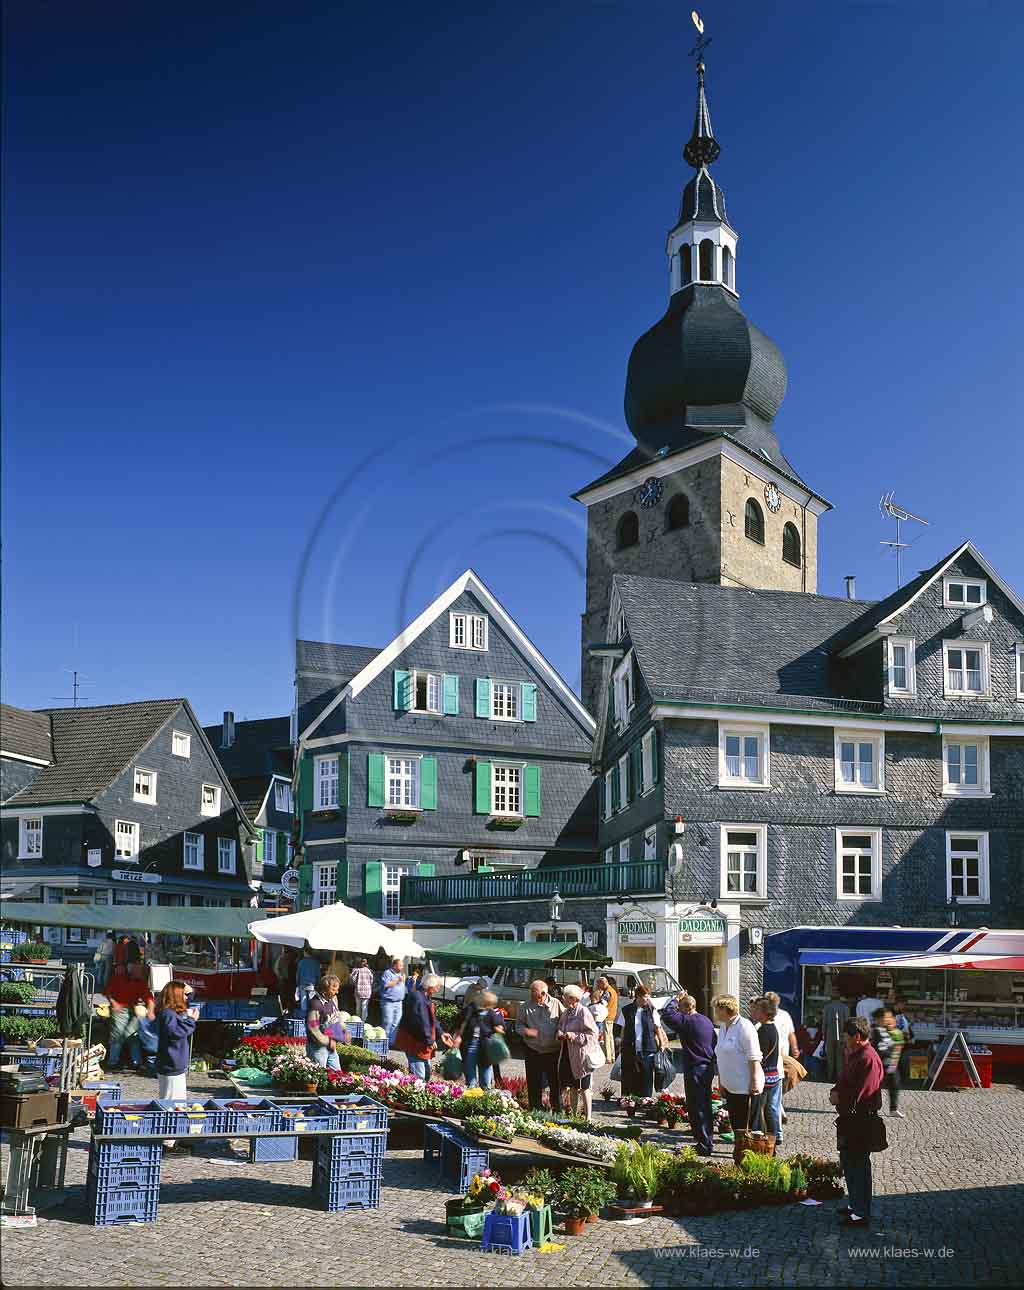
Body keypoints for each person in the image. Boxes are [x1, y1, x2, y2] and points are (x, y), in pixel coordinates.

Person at [830, 1016, 884, 1226]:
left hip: (860, 1120)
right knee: (850, 1164)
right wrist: (836, 1091)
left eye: (846, 1036)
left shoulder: (868, 1058)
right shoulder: (855, 1054)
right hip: (850, 1118)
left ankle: (861, 1213)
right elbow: (845, 1080)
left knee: (858, 1166)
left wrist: (839, 1098)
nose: (843, 1039)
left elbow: (864, 1093)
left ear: (857, 1037)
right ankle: (855, 1205)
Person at [713, 994, 763, 1166]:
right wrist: (721, 1082)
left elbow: (754, 1056)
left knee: (746, 1126)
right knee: (736, 1125)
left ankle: (749, 1157)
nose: (715, 1012)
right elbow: (720, 1055)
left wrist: (755, 1081)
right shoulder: (723, 1027)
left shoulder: (744, 1026)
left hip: (745, 1086)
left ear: (726, 1009)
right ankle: (740, 1153)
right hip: (730, 1085)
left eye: (717, 1008)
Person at [670, 994, 717, 1156]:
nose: (678, 1011)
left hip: (696, 1068)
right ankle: (701, 1140)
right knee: (700, 1105)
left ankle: (705, 1143)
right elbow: (714, 1042)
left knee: (699, 1107)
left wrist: (676, 999)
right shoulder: (706, 1021)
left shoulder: (688, 1021)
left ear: (686, 1008)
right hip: (707, 1066)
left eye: (680, 1008)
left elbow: (668, 1015)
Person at [157, 981, 199, 1147]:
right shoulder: (168, 1014)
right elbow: (176, 1033)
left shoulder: (171, 1012)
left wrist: (189, 990)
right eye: (182, 994)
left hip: (174, 1064)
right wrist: (191, 1020)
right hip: (171, 1064)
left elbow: (191, 997)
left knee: (178, 1102)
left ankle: (173, 1137)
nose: (185, 997)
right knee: (171, 1103)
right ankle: (167, 1141)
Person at [556, 983, 603, 1120]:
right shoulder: (566, 1012)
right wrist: (559, 1032)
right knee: (572, 1087)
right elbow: (560, 1026)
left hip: (581, 1057)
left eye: (565, 997)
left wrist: (572, 1036)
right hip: (567, 1054)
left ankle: (588, 1118)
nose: (563, 1000)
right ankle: (574, 1116)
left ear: (573, 998)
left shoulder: (583, 1012)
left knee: (584, 1088)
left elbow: (593, 1035)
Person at [518, 979, 565, 1111]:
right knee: (534, 1083)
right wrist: (526, 1031)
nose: (533, 998)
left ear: (544, 993)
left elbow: (564, 1021)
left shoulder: (557, 1004)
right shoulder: (525, 1006)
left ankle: (557, 1110)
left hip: (553, 1051)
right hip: (533, 1050)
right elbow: (518, 1025)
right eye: (532, 995)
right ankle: (535, 1110)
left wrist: (560, 1031)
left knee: (555, 1083)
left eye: (536, 995)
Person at [395, 974, 453, 1079]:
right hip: (414, 1041)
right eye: (438, 986)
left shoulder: (425, 997)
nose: (439, 989)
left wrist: (441, 1033)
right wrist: (429, 1040)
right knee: (419, 1077)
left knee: (425, 1075)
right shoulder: (418, 997)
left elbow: (432, 1019)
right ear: (430, 986)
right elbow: (420, 1022)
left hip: (421, 1040)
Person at [618, 983, 666, 1099]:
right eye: (645, 996)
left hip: (648, 1047)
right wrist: (621, 1044)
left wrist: (662, 1043)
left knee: (646, 1076)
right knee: (629, 1074)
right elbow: (623, 1029)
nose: (648, 998)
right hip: (630, 1047)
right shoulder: (627, 1010)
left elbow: (657, 1028)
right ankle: (628, 1100)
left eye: (649, 996)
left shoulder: (652, 1011)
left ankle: (646, 1099)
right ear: (638, 996)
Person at [749, 996, 782, 1155]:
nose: (753, 1012)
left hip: (765, 1076)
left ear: (764, 1013)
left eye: (756, 1010)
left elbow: (758, 1055)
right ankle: (772, 1143)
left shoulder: (763, 1030)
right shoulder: (772, 1028)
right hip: (773, 1075)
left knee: (759, 1113)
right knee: (769, 1111)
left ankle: (763, 1144)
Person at [105, 964, 153, 1071]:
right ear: (131, 971)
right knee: (117, 1037)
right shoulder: (117, 979)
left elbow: (149, 998)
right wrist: (114, 1003)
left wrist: (150, 1010)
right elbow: (108, 993)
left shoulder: (140, 983)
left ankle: (136, 1063)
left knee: (133, 1037)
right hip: (119, 1010)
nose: (140, 973)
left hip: (133, 1010)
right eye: (138, 971)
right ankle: (113, 1062)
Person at [454, 990, 504, 1089]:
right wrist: (457, 1037)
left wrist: (499, 1029)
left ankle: (485, 1095)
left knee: (485, 1079)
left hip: (485, 1046)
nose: (490, 1007)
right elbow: (459, 1024)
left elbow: (500, 1025)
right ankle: (471, 1096)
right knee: (470, 1080)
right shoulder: (469, 1009)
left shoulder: (490, 1012)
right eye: (488, 1004)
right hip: (470, 1044)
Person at [764, 990, 798, 1137]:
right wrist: (795, 1048)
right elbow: (792, 1034)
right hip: (782, 1054)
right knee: (778, 1086)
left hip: (777, 1056)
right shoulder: (785, 1015)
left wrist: (795, 1048)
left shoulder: (770, 1017)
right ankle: (780, 1111)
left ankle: (776, 1126)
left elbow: (791, 1033)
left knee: (775, 1089)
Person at [306, 974, 347, 1069]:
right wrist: (328, 1042)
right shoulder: (315, 1004)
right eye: (334, 989)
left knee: (337, 1074)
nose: (337, 992)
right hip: (318, 1048)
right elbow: (313, 1028)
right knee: (318, 1075)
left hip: (331, 1046)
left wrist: (344, 1031)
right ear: (324, 991)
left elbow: (336, 1018)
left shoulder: (332, 1000)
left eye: (337, 989)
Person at [871, 1007, 905, 1118]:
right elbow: (878, 1048)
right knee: (874, 1088)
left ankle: (893, 1109)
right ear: (879, 1019)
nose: (889, 1019)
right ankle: (871, 1108)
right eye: (887, 1017)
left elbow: (894, 1045)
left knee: (894, 1085)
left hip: (890, 1064)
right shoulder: (875, 1031)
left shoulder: (888, 1030)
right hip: (879, 1065)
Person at [821, 986, 850, 1083]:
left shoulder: (827, 1007)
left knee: (830, 1058)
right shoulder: (845, 1008)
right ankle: (839, 1078)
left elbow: (824, 1023)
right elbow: (847, 1023)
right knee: (840, 1058)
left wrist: (823, 1034)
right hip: (842, 1036)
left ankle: (829, 1077)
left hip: (829, 1035)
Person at [379, 957, 407, 1046]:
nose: (402, 967)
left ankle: (391, 1043)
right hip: (388, 1002)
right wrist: (398, 980)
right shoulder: (387, 973)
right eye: (400, 965)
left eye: (402, 965)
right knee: (388, 1022)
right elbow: (386, 984)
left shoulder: (402, 974)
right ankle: (384, 1042)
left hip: (399, 1002)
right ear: (394, 965)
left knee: (396, 1023)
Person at [295, 944, 322, 1016]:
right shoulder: (316, 962)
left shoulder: (301, 962)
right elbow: (318, 974)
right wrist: (318, 984)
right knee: (312, 1003)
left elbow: (298, 974)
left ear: (305, 952)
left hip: (302, 984)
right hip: (312, 985)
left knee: (303, 1004)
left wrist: (297, 983)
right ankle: (311, 1017)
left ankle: (303, 1017)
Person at [893, 999, 914, 1082]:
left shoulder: (898, 1012)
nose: (904, 1006)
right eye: (903, 1004)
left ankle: (901, 1077)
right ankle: (901, 1077)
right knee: (898, 1060)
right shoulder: (894, 1013)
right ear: (898, 1003)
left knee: (898, 1059)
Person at [275, 947, 299, 1016]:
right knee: (288, 996)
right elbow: (276, 969)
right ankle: (288, 1010)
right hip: (287, 980)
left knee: (286, 996)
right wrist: (280, 976)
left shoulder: (282, 958)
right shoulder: (292, 960)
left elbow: (276, 968)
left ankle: (285, 1010)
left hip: (286, 980)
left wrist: (280, 976)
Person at [350, 957, 374, 1022]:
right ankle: (363, 1021)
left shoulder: (356, 970)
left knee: (358, 1007)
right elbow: (372, 981)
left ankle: (358, 1020)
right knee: (364, 1007)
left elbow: (352, 980)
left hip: (358, 991)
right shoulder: (369, 971)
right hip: (367, 992)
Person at [602, 975, 619, 1064]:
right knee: (611, 1037)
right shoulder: (614, 991)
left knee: (607, 1038)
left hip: (606, 1016)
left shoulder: (608, 992)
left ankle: (608, 1057)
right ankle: (612, 1056)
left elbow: (603, 1003)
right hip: (612, 1016)